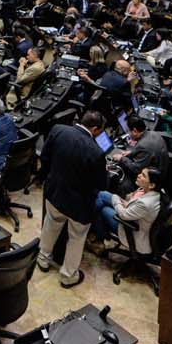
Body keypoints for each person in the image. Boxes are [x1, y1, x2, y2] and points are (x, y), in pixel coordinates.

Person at [37, 110, 107, 288]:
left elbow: (44, 157)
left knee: (50, 225)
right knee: (76, 238)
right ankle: (68, 276)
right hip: (79, 204)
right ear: (95, 129)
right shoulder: (97, 152)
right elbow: (100, 184)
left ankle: (43, 260)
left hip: (54, 192)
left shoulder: (58, 130)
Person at [93, 167, 162, 251]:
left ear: (151, 185)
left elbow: (123, 215)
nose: (139, 175)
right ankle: (96, 232)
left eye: (143, 176)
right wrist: (124, 202)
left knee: (103, 209)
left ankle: (96, 238)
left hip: (130, 230)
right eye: (140, 173)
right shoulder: (154, 191)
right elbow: (133, 204)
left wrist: (115, 198)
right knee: (102, 195)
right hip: (133, 215)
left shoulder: (145, 203)